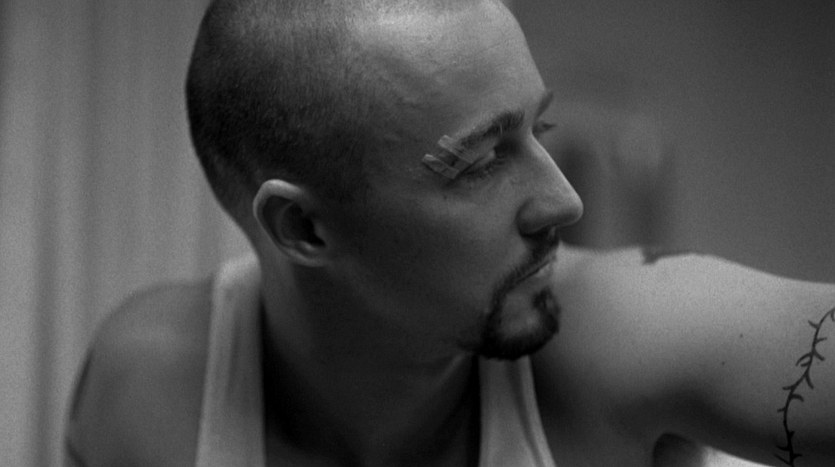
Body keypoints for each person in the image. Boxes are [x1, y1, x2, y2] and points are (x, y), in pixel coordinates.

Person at [64, 0, 835, 466]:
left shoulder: (619, 330)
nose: (564, 202)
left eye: (539, 128)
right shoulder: (149, 392)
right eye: (479, 161)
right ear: (303, 226)